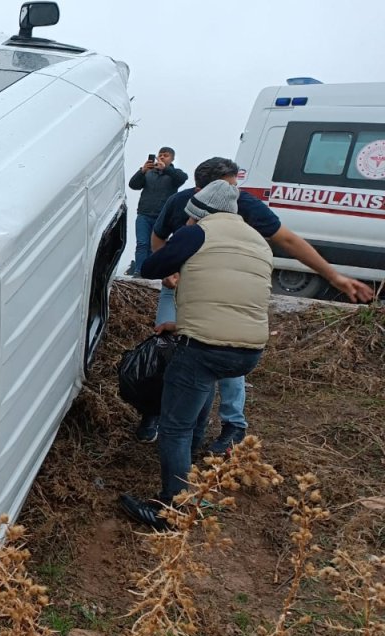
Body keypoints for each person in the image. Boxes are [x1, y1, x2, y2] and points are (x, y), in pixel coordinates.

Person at [131, 157, 376, 451]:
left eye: (235, 186)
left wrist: (334, 276)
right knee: (164, 347)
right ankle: (153, 412)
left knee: (226, 351)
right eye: (227, 187)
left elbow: (288, 240)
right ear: (200, 191)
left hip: (226, 291)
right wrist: (170, 273)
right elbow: (158, 239)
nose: (234, 193)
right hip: (183, 284)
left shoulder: (245, 204)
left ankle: (232, 425)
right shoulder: (179, 202)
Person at [121, 181, 272, 529]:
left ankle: (174, 510)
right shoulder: (257, 240)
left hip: (206, 347)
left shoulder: (197, 233)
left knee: (174, 426)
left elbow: (150, 267)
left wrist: (185, 234)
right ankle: (188, 469)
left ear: (198, 212)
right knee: (199, 393)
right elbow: (230, 294)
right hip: (248, 350)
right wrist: (179, 324)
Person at [127, 147, 188, 276]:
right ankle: (139, 271)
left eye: (165, 156)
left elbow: (182, 178)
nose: (161, 158)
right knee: (142, 244)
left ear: (172, 159)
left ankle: (154, 272)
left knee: (156, 246)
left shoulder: (174, 174)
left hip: (162, 216)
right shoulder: (149, 172)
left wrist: (165, 169)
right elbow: (133, 185)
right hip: (144, 214)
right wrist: (142, 171)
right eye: (160, 155)